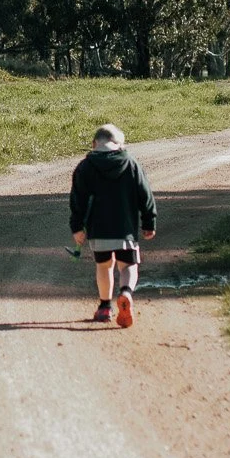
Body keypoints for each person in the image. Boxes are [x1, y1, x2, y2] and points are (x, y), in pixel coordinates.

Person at [69, 123, 157, 328]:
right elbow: (146, 195)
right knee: (128, 265)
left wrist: (77, 227)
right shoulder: (131, 163)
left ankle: (104, 307)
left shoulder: (85, 167)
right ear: (119, 144)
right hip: (125, 229)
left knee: (104, 266)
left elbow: (77, 200)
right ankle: (125, 293)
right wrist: (148, 221)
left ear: (94, 143)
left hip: (98, 230)